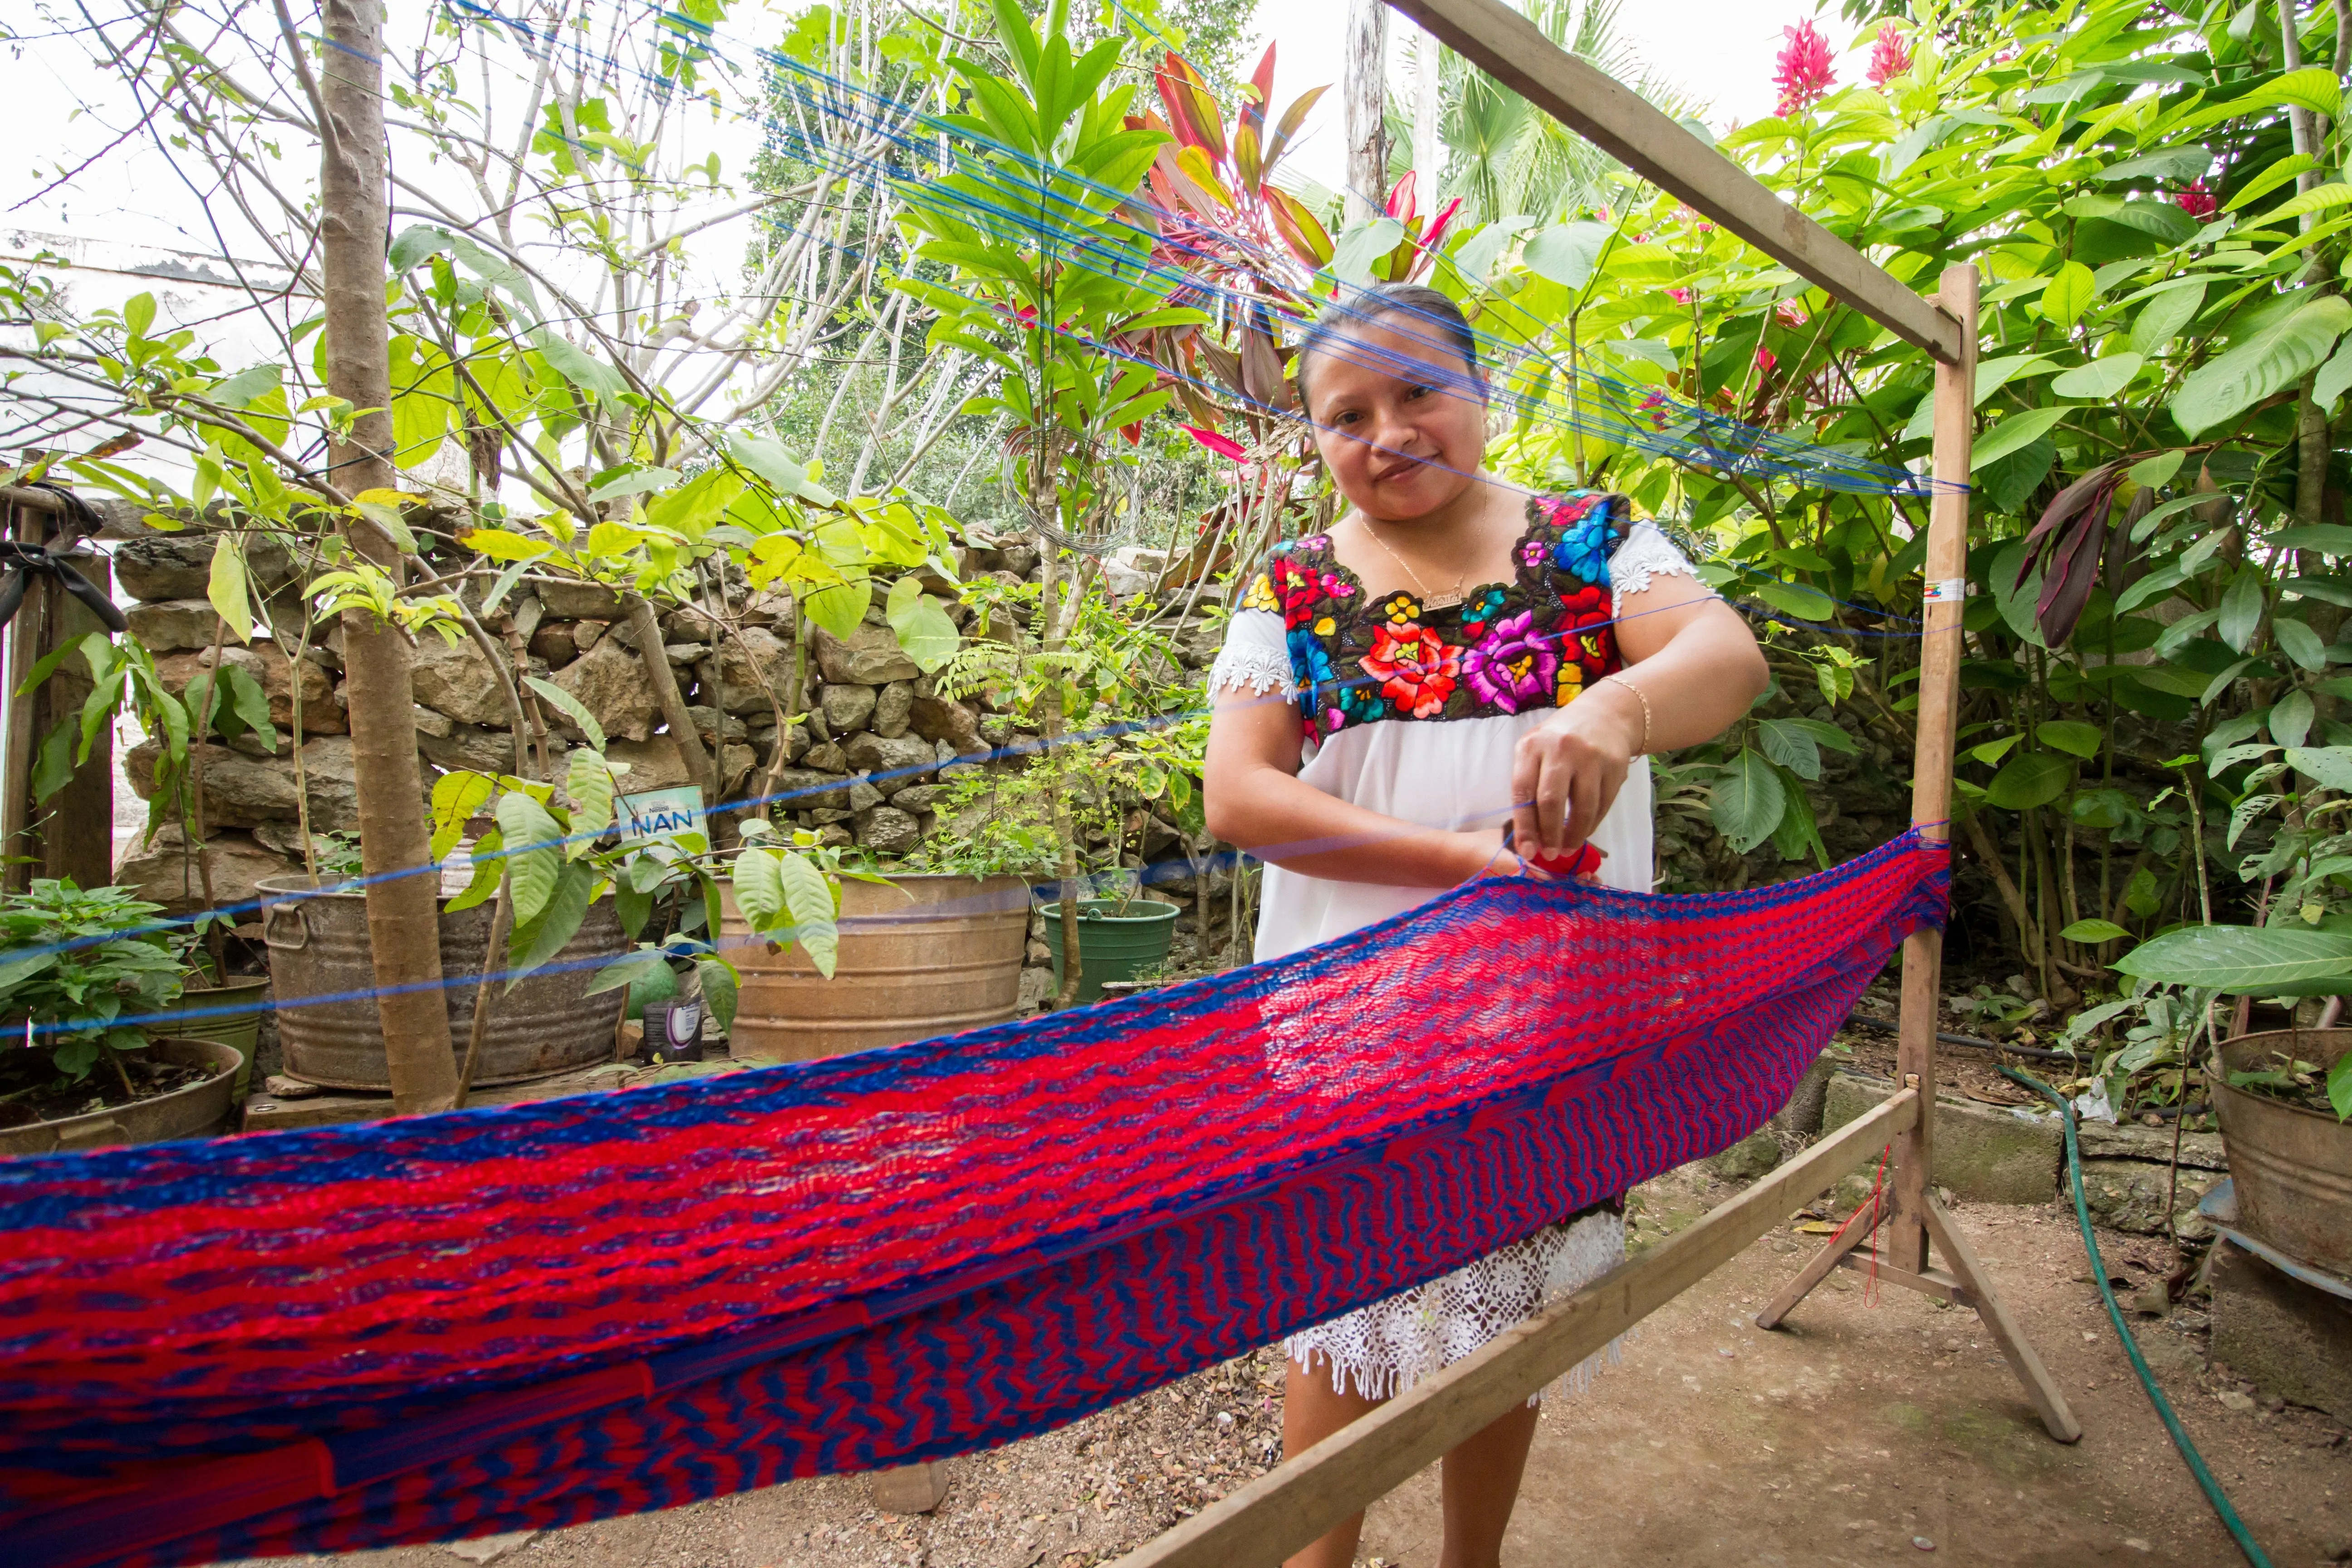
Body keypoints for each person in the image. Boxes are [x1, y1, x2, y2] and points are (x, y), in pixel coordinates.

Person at [1201, 283, 1769, 1568]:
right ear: (1314, 437)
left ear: (1482, 390)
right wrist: (1463, 862)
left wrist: (1616, 710)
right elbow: (1238, 793)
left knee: (1507, 1308)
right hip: (1354, 1011)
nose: (1388, 432)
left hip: (1554, 1013)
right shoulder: (1291, 588)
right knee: (1346, 1294)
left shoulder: (1594, 545)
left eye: (1418, 394)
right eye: (1347, 414)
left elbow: (1726, 664)